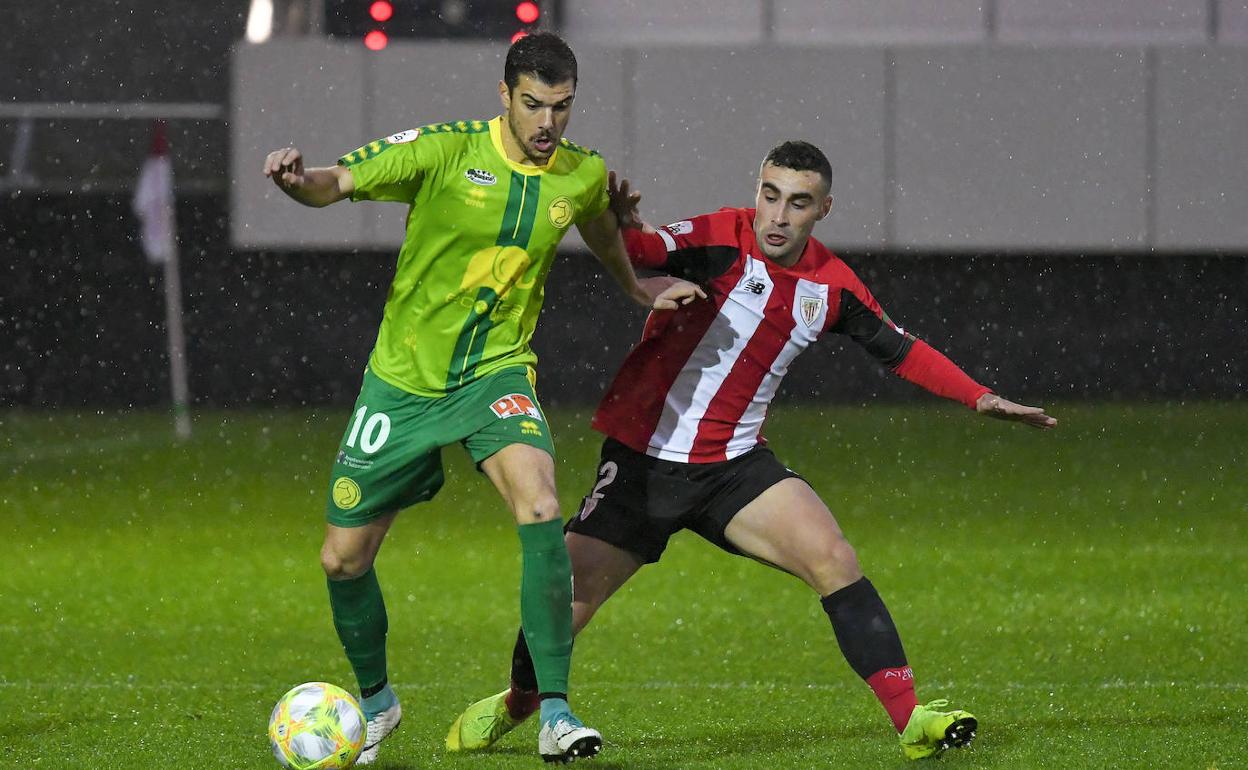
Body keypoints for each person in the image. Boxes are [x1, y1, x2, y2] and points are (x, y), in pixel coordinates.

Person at [444, 140, 1057, 762]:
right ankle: (521, 702)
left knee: (834, 558)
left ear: (823, 209)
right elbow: (642, 252)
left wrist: (978, 397)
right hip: (642, 466)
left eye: (798, 203)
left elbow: (900, 349)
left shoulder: (832, 286)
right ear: (756, 192)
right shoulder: (719, 238)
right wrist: (621, 223)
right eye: (769, 196)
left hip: (734, 469)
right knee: (562, 603)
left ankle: (911, 720)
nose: (778, 217)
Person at [262, 32, 701, 765]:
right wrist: (292, 179)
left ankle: (556, 712)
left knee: (538, 504)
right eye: (533, 104)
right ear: (504, 95)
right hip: (402, 384)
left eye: (561, 108)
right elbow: (333, 183)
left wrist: (635, 285)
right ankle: (377, 705)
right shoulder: (442, 152)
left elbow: (594, 216)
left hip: (496, 373)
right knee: (342, 560)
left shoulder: (580, 172)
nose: (546, 123)